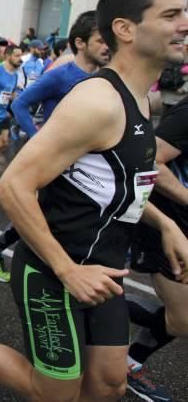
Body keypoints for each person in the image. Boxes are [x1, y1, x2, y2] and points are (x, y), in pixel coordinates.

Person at [0, 0, 188, 402]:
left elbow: (121, 181)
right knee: (55, 393)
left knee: (109, 385)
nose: (184, 23)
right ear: (125, 29)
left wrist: (164, 222)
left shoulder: (143, 100)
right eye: (171, 15)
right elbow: (17, 185)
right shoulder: (97, 101)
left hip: (106, 269)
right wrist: (67, 269)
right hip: (54, 271)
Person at [0, 10, 111, 283]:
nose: (108, 45)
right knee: (38, 214)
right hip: (54, 160)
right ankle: (1, 250)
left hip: (82, 161)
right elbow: (20, 104)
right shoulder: (62, 75)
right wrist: (39, 139)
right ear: (80, 43)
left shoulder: (103, 79)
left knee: (44, 215)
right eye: (101, 39)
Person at [127, 93, 188, 401]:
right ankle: (85, 297)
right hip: (171, 225)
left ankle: (132, 360)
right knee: (182, 319)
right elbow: (152, 162)